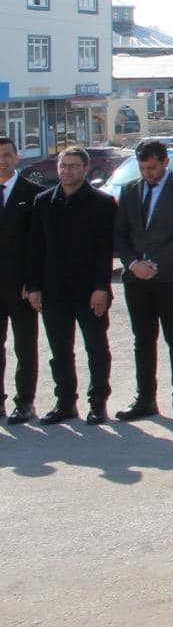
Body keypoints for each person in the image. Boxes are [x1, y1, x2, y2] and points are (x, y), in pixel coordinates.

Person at [24, 147, 116, 425]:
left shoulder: (102, 203)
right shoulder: (43, 202)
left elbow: (105, 250)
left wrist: (102, 287)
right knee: (60, 352)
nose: (67, 171)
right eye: (64, 166)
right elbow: (35, 248)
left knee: (96, 349)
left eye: (74, 166)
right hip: (54, 291)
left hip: (90, 291)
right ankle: (65, 402)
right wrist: (34, 286)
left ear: (85, 169)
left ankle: (97, 403)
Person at [112, 139, 173, 422]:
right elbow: (120, 234)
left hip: (172, 278)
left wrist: (155, 265)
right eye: (143, 168)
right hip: (137, 280)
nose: (148, 173)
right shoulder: (130, 190)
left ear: (165, 162)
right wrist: (135, 264)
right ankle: (145, 399)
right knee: (143, 340)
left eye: (152, 167)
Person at [0, 136, 44, 424]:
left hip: (22, 287)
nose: (2, 160)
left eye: (6, 154)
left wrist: (34, 283)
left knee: (25, 347)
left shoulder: (35, 195)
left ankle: (25, 402)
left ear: (17, 158)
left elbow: (40, 244)